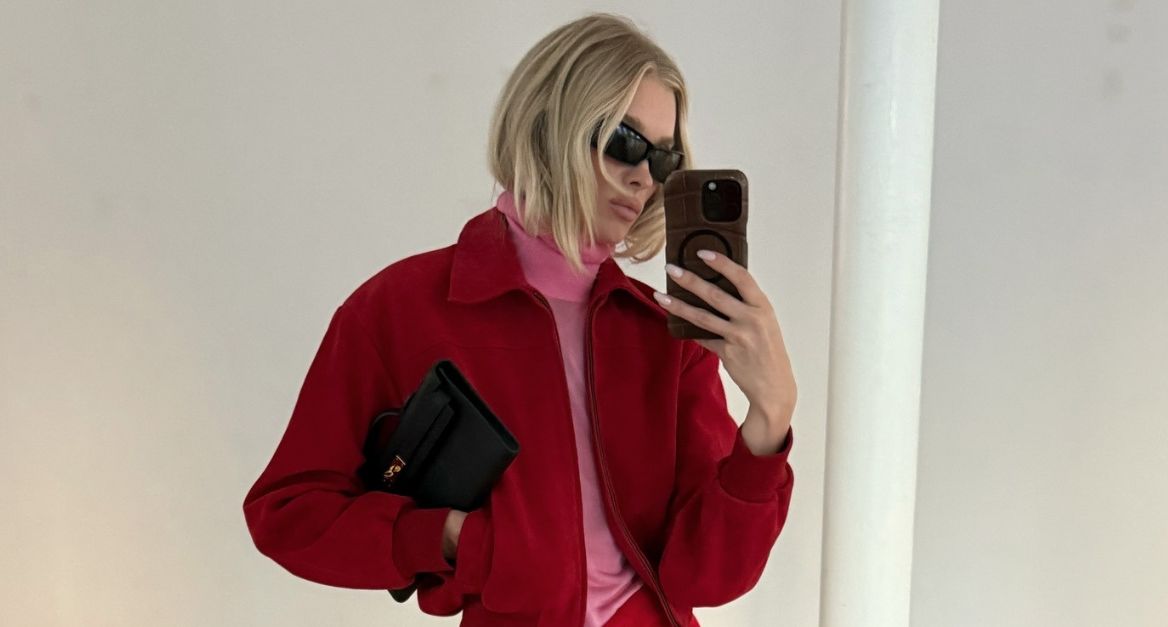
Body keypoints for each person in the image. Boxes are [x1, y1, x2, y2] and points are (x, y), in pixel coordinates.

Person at [242, 12, 797, 627]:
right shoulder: (402, 308)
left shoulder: (664, 336)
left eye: (664, 160)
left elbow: (706, 577)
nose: (643, 176)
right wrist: (450, 538)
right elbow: (289, 514)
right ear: (551, 123)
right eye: (625, 141)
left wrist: (769, 419)